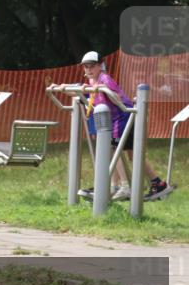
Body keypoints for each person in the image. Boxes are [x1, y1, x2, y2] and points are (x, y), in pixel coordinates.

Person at [59, 51, 170, 202]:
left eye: (92, 66)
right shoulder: (93, 81)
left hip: (123, 118)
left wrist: (102, 89)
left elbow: (116, 96)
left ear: (100, 66)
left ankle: (123, 187)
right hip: (121, 120)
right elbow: (83, 91)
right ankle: (157, 184)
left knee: (112, 149)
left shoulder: (104, 78)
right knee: (132, 155)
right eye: (86, 67)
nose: (88, 70)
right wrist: (62, 87)